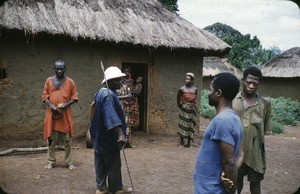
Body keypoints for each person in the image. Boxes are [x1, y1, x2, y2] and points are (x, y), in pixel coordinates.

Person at [194, 72, 244, 194]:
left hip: (212, 189)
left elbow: (230, 162)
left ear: (218, 93)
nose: (208, 93)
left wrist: (231, 188)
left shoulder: (222, 121)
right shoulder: (235, 118)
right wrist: (227, 175)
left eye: (210, 89)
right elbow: (241, 155)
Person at [90, 66, 133, 194]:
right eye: (119, 80)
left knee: (100, 162)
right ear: (112, 81)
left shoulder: (100, 93)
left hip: (98, 135)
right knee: (113, 163)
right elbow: (110, 117)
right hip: (108, 137)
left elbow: (92, 109)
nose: (121, 82)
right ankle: (116, 187)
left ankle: (101, 187)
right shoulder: (108, 95)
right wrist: (120, 134)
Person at [233, 66, 272, 194]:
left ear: (259, 84)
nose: (251, 86)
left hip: (255, 154)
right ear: (242, 80)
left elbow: (266, 128)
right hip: (235, 152)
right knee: (235, 183)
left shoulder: (265, 104)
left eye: (255, 83)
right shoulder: (232, 100)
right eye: (248, 82)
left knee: (255, 185)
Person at [42, 60, 78, 170]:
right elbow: (44, 96)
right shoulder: (49, 80)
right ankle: (51, 161)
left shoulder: (70, 82)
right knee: (51, 140)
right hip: (51, 115)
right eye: (57, 68)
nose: (59, 70)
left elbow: (75, 98)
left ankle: (68, 162)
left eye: (61, 69)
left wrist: (66, 105)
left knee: (67, 140)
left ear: (65, 69)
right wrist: (51, 106)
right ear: (54, 69)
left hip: (65, 115)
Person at [177, 72, 197, 148]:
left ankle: (189, 142)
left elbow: (195, 99)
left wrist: (192, 105)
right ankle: (182, 141)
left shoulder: (195, 89)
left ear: (192, 80)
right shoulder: (182, 89)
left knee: (190, 126)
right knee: (182, 125)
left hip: (191, 110)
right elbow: (178, 99)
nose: (186, 80)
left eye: (188, 79)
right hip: (183, 109)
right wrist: (181, 106)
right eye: (186, 79)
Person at [116, 66, 135, 148]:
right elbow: (115, 97)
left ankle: (127, 142)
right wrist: (126, 96)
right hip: (119, 108)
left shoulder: (127, 84)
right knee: (120, 124)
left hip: (126, 108)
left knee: (127, 124)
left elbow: (130, 95)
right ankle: (121, 141)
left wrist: (128, 96)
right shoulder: (117, 87)